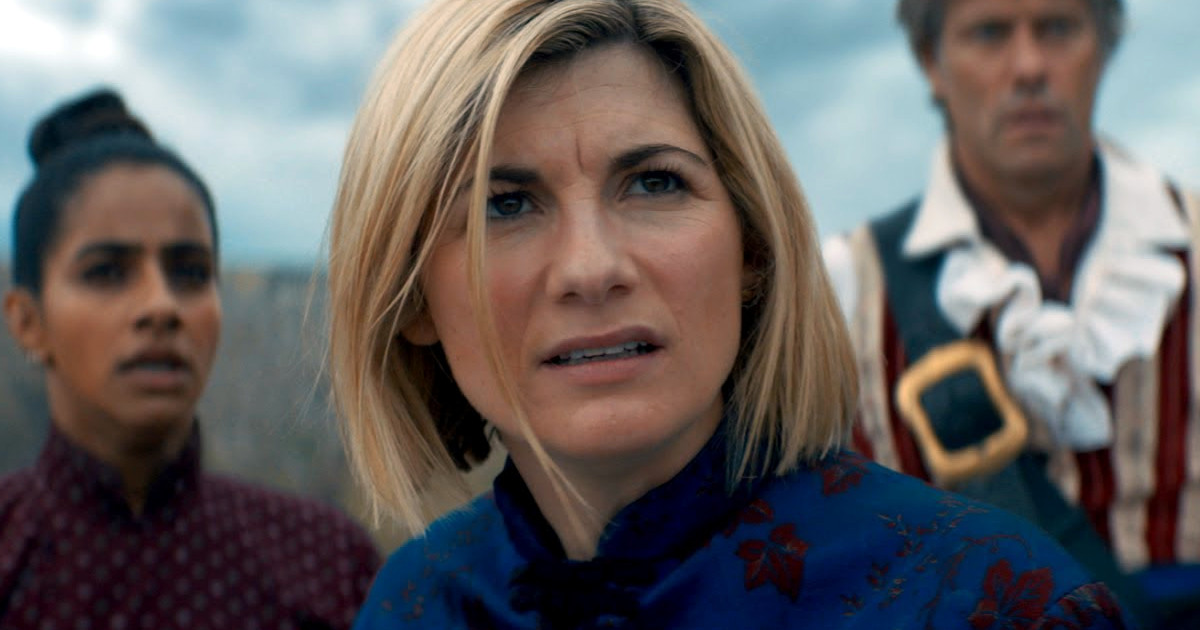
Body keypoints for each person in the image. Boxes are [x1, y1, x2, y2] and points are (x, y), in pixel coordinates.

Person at [328, 0, 1137, 628]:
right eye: (504, 204)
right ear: (410, 296)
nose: (591, 268)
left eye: (654, 183)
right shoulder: (412, 607)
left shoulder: (998, 605)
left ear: (752, 247)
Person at [822, 0, 1200, 627]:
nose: (1028, 67)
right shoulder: (840, 293)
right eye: (990, 33)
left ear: (1104, 45)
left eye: (1058, 28)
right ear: (932, 62)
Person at [0, 88, 381, 628]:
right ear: (27, 321)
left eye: (190, 272)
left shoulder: (329, 564)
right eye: (106, 272)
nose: (161, 306)